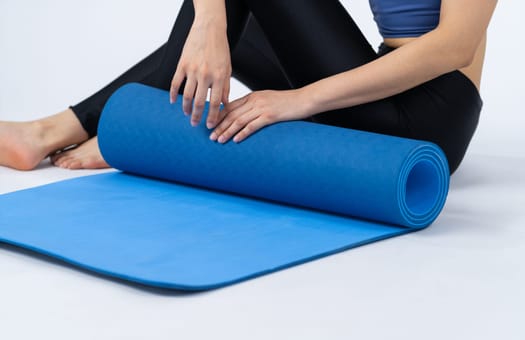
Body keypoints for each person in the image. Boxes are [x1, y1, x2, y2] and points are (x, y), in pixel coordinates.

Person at [0, 0, 497, 174]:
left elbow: (453, 46)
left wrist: (297, 101)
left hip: (429, 115)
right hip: (378, 94)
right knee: (226, 25)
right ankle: (61, 129)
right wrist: (211, 25)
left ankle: (119, 130)